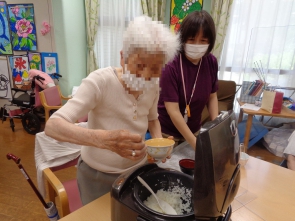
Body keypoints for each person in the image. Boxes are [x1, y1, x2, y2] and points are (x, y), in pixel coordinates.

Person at [44, 16, 179, 205]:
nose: (147, 75)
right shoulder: (100, 82)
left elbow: (152, 119)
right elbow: (53, 126)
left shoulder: (153, 86)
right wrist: (106, 140)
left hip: (135, 172)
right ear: (123, 56)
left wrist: (158, 144)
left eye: (155, 68)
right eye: (139, 65)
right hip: (97, 175)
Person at [158, 10, 219, 149]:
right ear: (182, 38)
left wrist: (216, 126)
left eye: (203, 41)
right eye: (191, 39)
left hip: (194, 130)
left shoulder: (211, 62)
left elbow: (212, 97)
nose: (197, 45)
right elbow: (173, 110)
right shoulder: (170, 64)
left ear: (210, 42)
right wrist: (194, 143)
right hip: (167, 133)